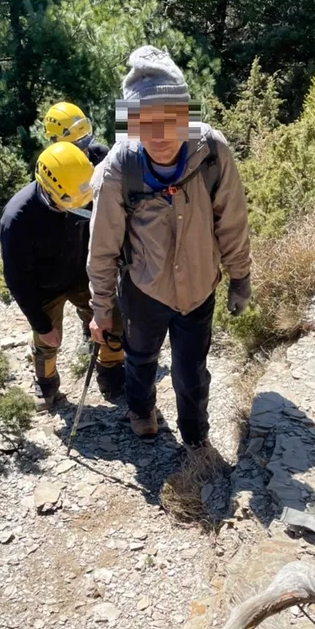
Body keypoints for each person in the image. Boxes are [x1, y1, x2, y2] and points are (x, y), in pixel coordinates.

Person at [87, 45, 251, 448]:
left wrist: (240, 276)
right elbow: (103, 246)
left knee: (191, 373)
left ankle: (195, 437)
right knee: (140, 358)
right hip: (144, 288)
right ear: (131, 122)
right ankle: (141, 411)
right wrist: (101, 308)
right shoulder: (119, 168)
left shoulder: (212, 152)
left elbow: (231, 221)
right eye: (144, 121)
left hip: (199, 287)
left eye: (170, 118)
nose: (159, 135)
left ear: (186, 115)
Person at [0, 141, 124, 411]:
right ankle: (46, 384)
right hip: (42, 287)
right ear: (48, 188)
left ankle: (111, 372)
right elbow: (17, 278)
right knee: (46, 340)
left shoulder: (82, 190)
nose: (80, 205)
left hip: (81, 273)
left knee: (113, 322)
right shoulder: (17, 219)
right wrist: (42, 324)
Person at [44, 101, 109, 165]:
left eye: (85, 139)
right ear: (55, 141)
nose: (85, 150)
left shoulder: (100, 154)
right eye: (78, 144)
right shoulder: (53, 168)